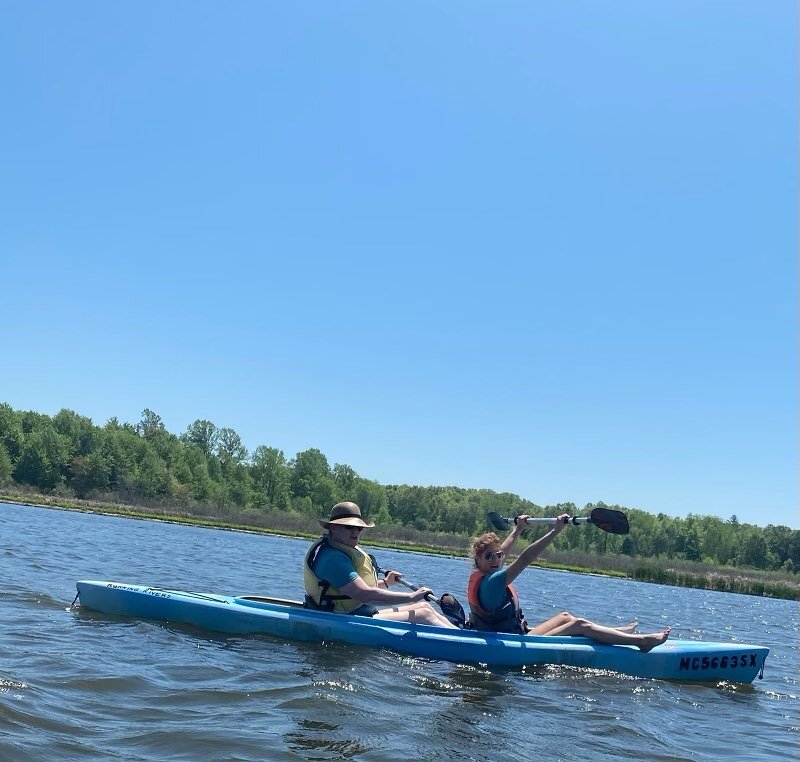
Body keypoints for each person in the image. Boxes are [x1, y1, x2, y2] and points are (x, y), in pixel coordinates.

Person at [467, 514, 671, 651]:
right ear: (478, 560)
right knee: (579, 625)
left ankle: (617, 631)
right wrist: (555, 531)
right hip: (513, 643)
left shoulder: (488, 571)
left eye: (498, 555)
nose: (495, 560)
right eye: (489, 556)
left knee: (565, 616)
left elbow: (504, 550)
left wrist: (518, 529)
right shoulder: (492, 582)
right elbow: (525, 559)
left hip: (515, 633)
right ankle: (641, 642)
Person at [304, 501, 458, 628]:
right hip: (343, 620)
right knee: (424, 615)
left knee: (424, 607)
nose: (356, 532)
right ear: (333, 528)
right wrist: (412, 596)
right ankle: (464, 644)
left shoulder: (341, 550)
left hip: (359, 614)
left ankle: (462, 634)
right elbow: (363, 594)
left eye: (359, 528)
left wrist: (385, 583)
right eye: (349, 527)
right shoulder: (333, 558)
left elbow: (347, 588)